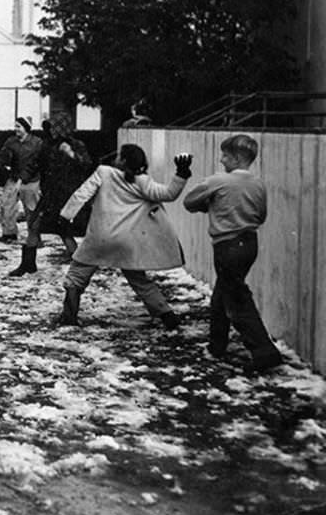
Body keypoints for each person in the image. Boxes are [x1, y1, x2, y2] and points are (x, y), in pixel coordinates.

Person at [55, 144, 191, 329]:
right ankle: (167, 315)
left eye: (119, 156)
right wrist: (182, 172)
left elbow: (82, 194)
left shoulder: (103, 172)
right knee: (139, 279)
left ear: (124, 161)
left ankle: (69, 316)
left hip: (100, 237)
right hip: (128, 241)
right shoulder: (142, 181)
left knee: (76, 275)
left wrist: (65, 216)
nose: (115, 157)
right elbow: (168, 193)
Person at [183, 134, 283, 372]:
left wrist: (210, 206)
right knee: (224, 292)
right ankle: (217, 344)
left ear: (237, 158)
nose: (221, 160)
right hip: (249, 243)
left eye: (225, 155)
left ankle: (264, 351)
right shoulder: (258, 184)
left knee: (237, 299)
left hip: (226, 246)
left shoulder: (219, 181)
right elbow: (261, 216)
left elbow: (189, 202)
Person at [8, 113, 91, 276]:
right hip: (50, 194)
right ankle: (28, 264)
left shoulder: (76, 145)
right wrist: (21, 179)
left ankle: (79, 264)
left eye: (54, 127)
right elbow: (34, 164)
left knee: (63, 229)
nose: (51, 130)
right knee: (36, 226)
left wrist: (71, 154)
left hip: (67, 195)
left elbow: (86, 165)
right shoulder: (46, 145)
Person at [0, 117, 43, 242]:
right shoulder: (11, 141)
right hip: (14, 178)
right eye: (15, 126)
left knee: (31, 209)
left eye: (18, 126)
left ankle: (34, 235)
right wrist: (2, 163)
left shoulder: (37, 142)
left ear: (26, 128)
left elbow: (36, 162)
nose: (16, 129)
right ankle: (9, 233)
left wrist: (24, 178)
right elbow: (2, 155)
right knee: (7, 205)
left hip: (31, 181)